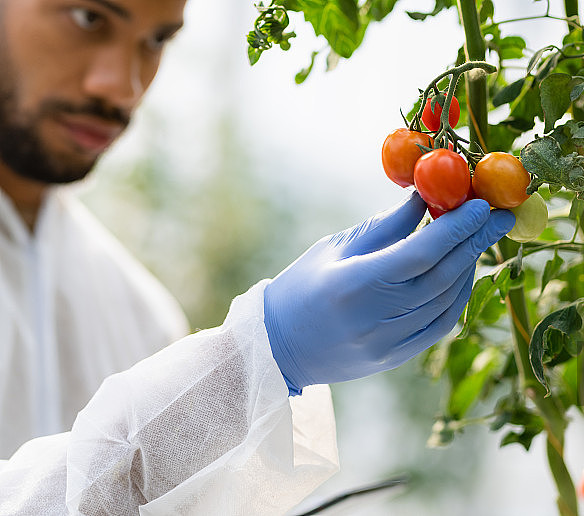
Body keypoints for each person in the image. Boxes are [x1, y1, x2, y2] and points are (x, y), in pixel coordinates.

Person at [0, 0, 514, 514]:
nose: (123, 86)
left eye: (157, 40)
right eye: (89, 18)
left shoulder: (138, 313)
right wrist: (250, 364)